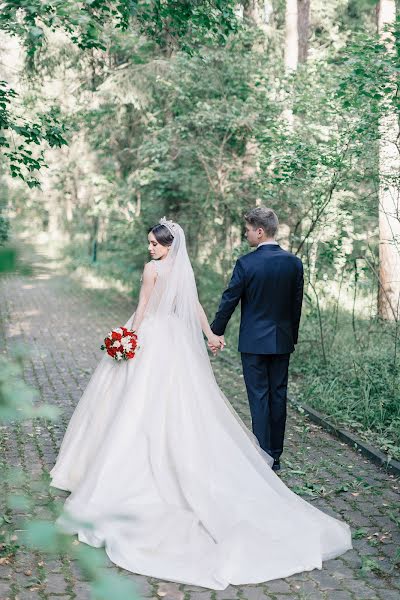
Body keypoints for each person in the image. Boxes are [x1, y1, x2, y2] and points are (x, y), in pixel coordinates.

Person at [49, 216, 352, 591]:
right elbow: (194, 307)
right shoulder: (181, 270)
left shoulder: (153, 270)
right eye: (150, 244)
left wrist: (129, 337)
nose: (151, 249)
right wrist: (210, 335)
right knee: (183, 400)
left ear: (168, 245)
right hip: (177, 341)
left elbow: (143, 309)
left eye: (155, 244)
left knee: (138, 402)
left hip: (154, 336)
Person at [209, 207, 303, 472]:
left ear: (260, 231)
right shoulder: (294, 263)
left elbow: (230, 300)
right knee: (278, 396)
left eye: (248, 230)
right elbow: (296, 307)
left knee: (259, 397)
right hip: (282, 342)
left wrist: (216, 331)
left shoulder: (246, 264)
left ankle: (263, 457)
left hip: (253, 343)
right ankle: (276, 455)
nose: (246, 234)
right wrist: (290, 338)